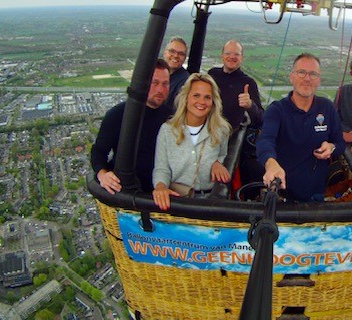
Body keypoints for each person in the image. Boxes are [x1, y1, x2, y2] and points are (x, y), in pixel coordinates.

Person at [257, 53, 346, 202]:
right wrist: (270, 163)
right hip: (284, 193)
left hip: (317, 193)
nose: (307, 78)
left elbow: (340, 143)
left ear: (319, 80)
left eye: (313, 74)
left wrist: (331, 147)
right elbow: (265, 139)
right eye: (301, 72)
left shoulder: (327, 107)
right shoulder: (277, 110)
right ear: (292, 76)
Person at [90, 59, 172, 194]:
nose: (160, 89)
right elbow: (99, 151)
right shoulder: (118, 115)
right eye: (155, 83)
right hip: (126, 192)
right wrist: (102, 174)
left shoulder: (172, 117)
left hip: (160, 192)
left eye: (165, 84)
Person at [152, 73, 231, 210]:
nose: (202, 102)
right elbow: (162, 167)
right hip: (177, 201)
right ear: (186, 97)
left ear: (213, 102)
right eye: (196, 95)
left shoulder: (221, 130)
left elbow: (223, 154)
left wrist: (218, 163)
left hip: (209, 202)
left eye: (207, 97)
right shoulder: (167, 130)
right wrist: (160, 187)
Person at [208, 40, 265, 189]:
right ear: (222, 56)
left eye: (236, 54)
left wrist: (250, 105)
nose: (232, 57)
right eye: (228, 53)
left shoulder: (248, 83)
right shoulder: (212, 75)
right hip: (206, 133)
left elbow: (260, 119)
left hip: (228, 139)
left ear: (242, 58)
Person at [163, 36, 190, 110]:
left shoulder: (185, 82)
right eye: (172, 51)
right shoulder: (154, 74)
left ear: (185, 58)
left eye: (181, 54)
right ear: (165, 53)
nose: (176, 56)